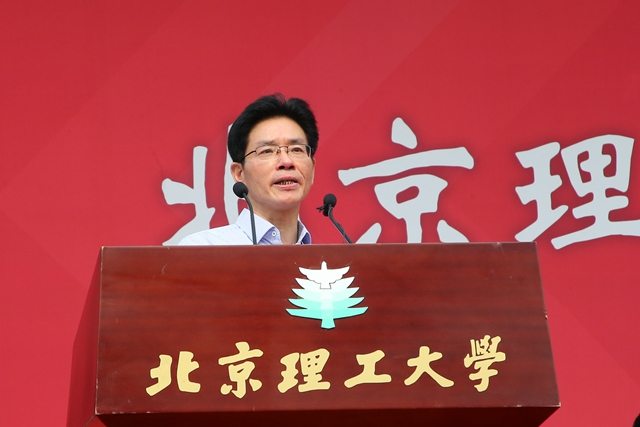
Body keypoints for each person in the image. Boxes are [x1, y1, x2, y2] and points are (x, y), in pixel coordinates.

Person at [179, 93, 318, 245]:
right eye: (267, 151)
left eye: (296, 149)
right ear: (239, 173)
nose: (286, 161)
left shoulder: (327, 257)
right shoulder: (204, 249)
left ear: (312, 169)